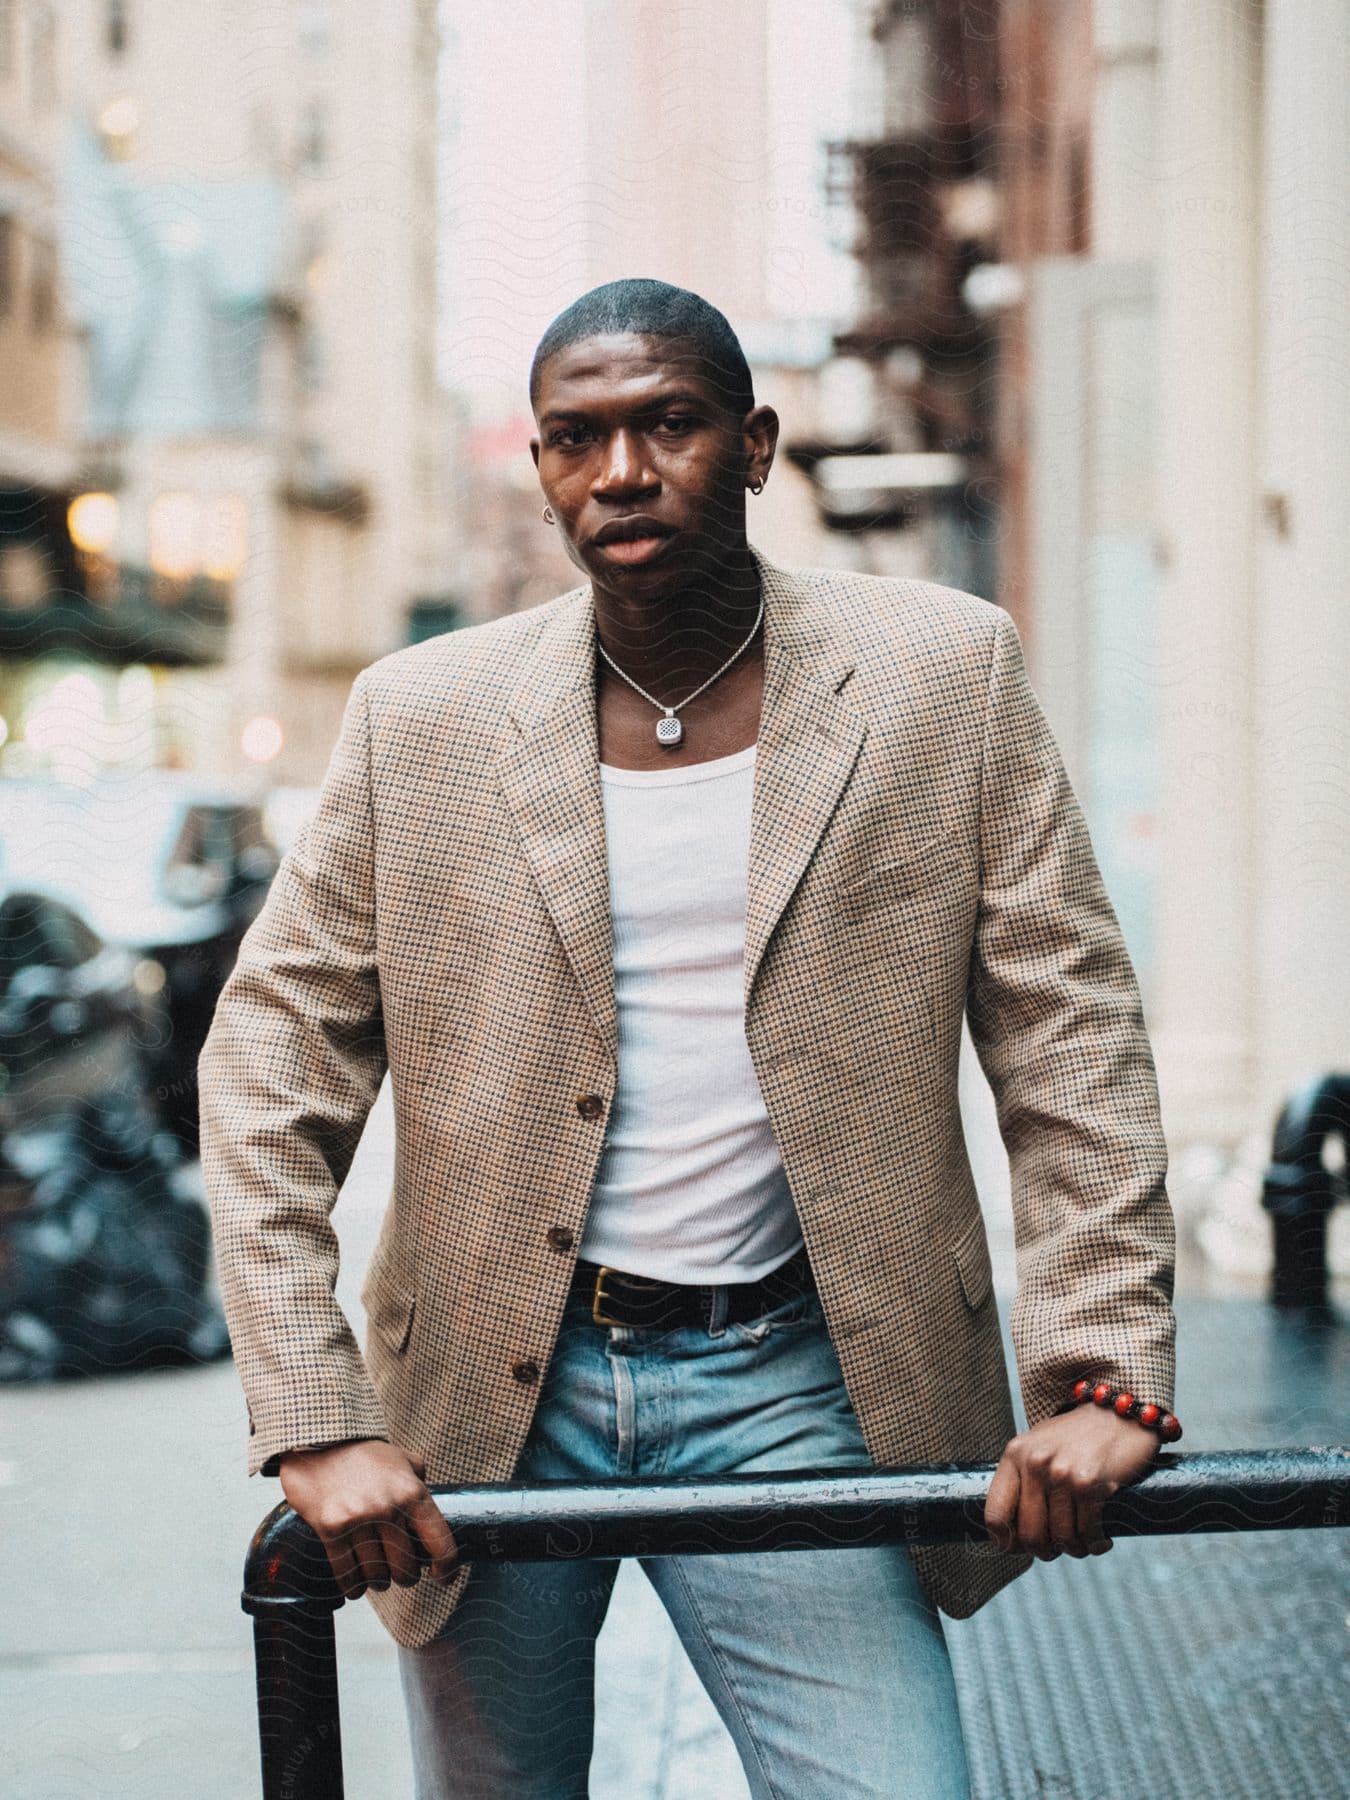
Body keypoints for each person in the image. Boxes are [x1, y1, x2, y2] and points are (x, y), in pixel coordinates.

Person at [200, 277, 1178, 1799]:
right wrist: (311, 1418)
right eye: (575, 438)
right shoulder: (423, 718)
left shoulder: (939, 673)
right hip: (487, 1399)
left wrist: (1106, 1367)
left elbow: (1070, 1039)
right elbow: (271, 1062)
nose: (622, 473)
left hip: (793, 1379)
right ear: (538, 466)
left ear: (755, 443)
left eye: (668, 423)